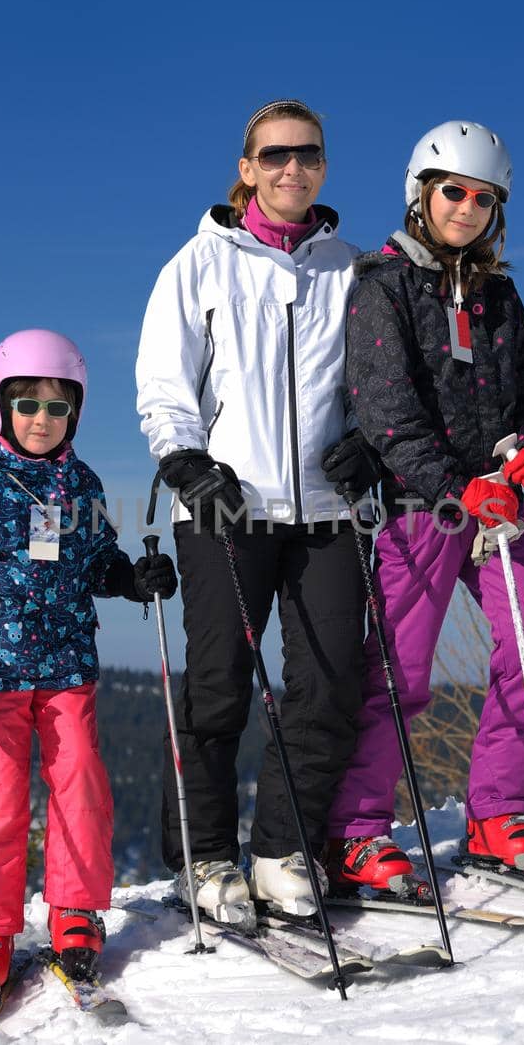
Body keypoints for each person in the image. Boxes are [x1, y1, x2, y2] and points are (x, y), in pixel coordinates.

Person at [135, 98, 378, 925]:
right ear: (247, 167)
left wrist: (371, 445)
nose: (292, 169)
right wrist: (185, 460)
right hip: (223, 507)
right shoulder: (197, 264)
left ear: (323, 165)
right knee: (216, 689)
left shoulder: (352, 269)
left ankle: (280, 850)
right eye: (274, 155)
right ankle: (202, 858)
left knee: (329, 680)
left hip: (326, 511)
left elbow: (376, 384)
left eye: (308, 154)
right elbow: (166, 384)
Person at [324, 121, 524, 897]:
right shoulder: (382, 284)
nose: (466, 207)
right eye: (452, 191)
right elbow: (385, 409)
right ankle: (357, 830)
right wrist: (452, 485)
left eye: (482, 197)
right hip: (421, 504)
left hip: (498, 500)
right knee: (402, 669)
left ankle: (500, 810)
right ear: (420, 193)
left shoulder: (500, 293)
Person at [0, 329, 176, 1015]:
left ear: (75, 416)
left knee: (81, 788)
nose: (40, 419)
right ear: (1, 406)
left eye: (57, 408)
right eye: (26, 404)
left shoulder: (79, 483)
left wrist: (131, 578)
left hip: (66, 668)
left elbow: (96, 559)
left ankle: (76, 907)